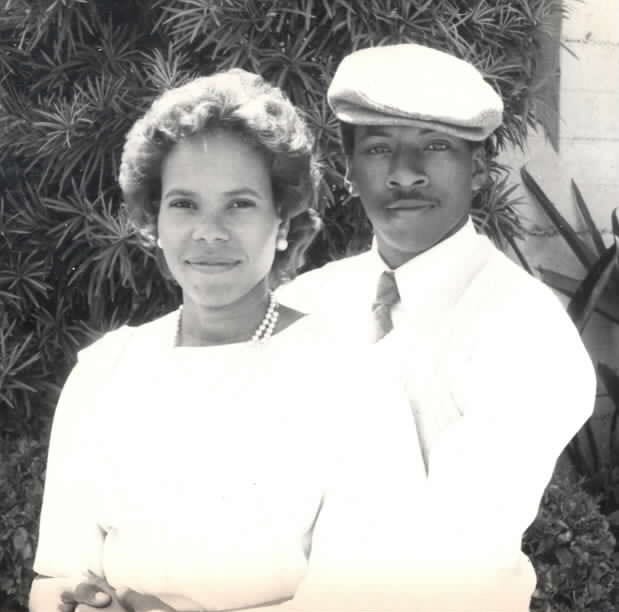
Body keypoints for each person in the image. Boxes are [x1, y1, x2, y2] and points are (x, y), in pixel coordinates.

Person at [29, 69, 424, 612]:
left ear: (282, 221)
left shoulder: (354, 378)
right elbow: (56, 576)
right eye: (184, 204)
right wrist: (73, 599)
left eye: (239, 204)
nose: (209, 232)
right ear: (154, 221)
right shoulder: (103, 373)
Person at [277, 43, 597, 610]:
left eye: (436, 146)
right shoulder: (305, 303)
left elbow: (445, 557)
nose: (405, 173)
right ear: (348, 170)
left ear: (478, 168)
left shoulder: (526, 331)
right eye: (379, 148)